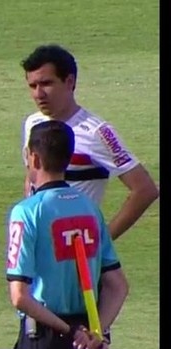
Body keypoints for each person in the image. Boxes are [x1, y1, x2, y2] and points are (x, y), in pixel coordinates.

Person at [8, 120, 128, 349]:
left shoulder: (27, 212)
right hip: (88, 338)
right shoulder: (90, 209)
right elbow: (118, 285)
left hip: (45, 338)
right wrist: (95, 333)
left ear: (34, 158)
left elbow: (20, 296)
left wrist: (71, 331)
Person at [20, 44, 159, 240]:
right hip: (38, 244)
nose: (38, 94)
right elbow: (32, 178)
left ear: (69, 82)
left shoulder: (97, 133)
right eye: (32, 86)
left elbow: (145, 189)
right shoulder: (33, 123)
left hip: (75, 250)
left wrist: (102, 241)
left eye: (46, 83)